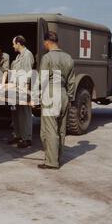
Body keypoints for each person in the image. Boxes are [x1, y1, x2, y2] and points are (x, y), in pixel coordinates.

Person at [38, 31, 75, 170]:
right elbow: (72, 80)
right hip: (64, 93)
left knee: (49, 130)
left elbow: (43, 79)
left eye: (44, 42)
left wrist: (37, 96)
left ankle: (51, 162)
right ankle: (57, 158)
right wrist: (70, 97)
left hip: (51, 93)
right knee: (61, 129)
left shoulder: (47, 57)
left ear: (47, 42)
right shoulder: (68, 57)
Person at [8, 35, 35, 149]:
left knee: (24, 114)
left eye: (14, 43)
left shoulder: (27, 55)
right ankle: (18, 136)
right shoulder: (19, 56)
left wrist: (27, 92)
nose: (13, 46)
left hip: (23, 89)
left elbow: (28, 75)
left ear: (18, 43)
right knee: (16, 114)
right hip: (15, 89)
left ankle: (27, 138)